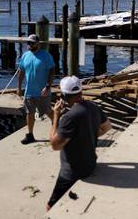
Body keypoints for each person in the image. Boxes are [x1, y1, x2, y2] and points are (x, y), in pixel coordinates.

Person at [47, 76, 112, 210]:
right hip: (90, 164)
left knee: (50, 206)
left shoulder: (69, 118)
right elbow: (107, 127)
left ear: (64, 96)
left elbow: (55, 145)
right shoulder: (93, 107)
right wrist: (88, 135)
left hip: (72, 172)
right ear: (81, 92)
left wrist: (56, 116)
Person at [18, 34, 55, 144]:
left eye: (31, 43)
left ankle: (57, 122)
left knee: (47, 111)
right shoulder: (25, 56)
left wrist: (48, 86)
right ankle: (30, 135)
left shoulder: (45, 55)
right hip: (29, 91)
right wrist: (19, 87)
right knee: (29, 113)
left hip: (43, 91)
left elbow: (52, 71)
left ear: (37, 44)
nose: (29, 45)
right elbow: (21, 72)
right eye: (28, 42)